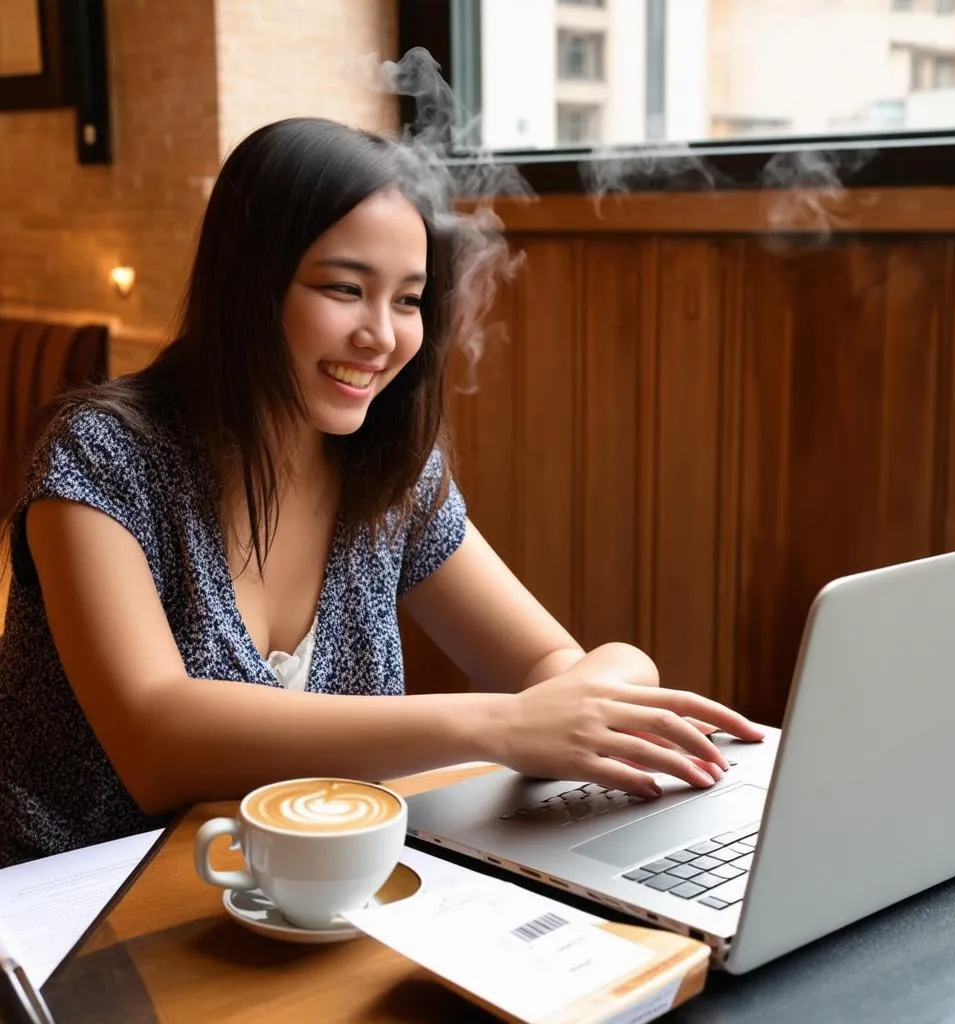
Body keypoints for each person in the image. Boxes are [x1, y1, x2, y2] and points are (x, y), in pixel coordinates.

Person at [0, 117, 762, 868]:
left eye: (407, 300)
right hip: (70, 921)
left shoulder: (391, 476)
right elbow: (157, 742)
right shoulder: (102, 459)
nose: (382, 335)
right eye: (344, 288)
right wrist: (504, 724)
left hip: (298, 901)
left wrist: (610, 672)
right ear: (248, 286)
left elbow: (555, 664)